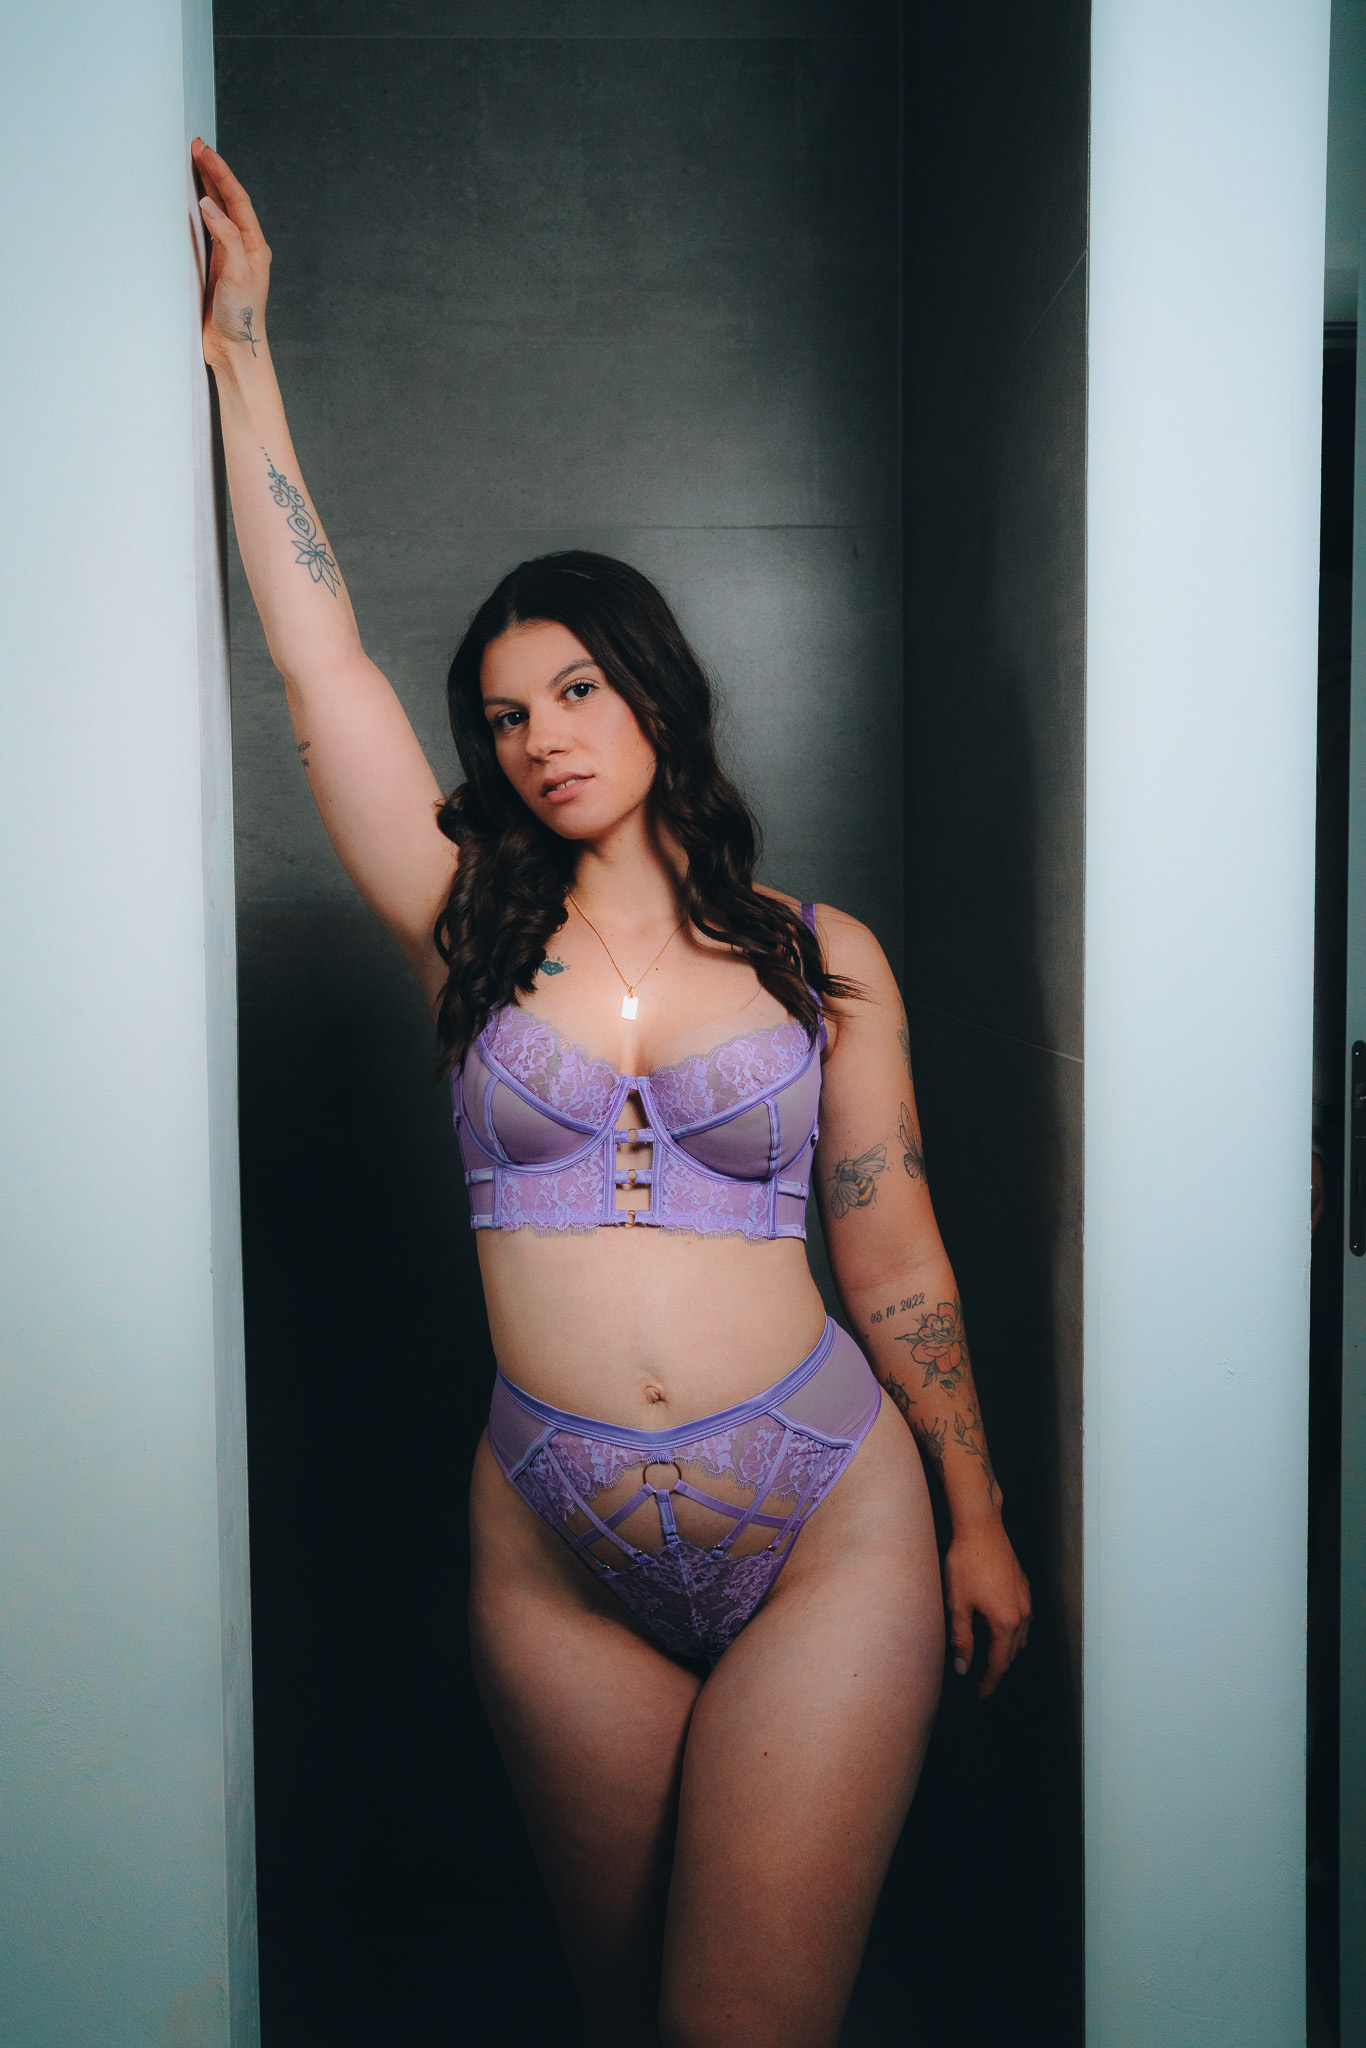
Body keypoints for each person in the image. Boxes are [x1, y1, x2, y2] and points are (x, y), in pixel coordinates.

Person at [193, 138, 1032, 2048]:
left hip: (825, 1516)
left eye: (574, 690)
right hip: (551, 1544)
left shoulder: (819, 957)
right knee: (622, 2016)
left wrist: (975, 1514)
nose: (539, 737)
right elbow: (319, 660)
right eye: (504, 714)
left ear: (653, 691)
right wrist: (243, 356)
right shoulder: (466, 930)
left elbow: (894, 1247)